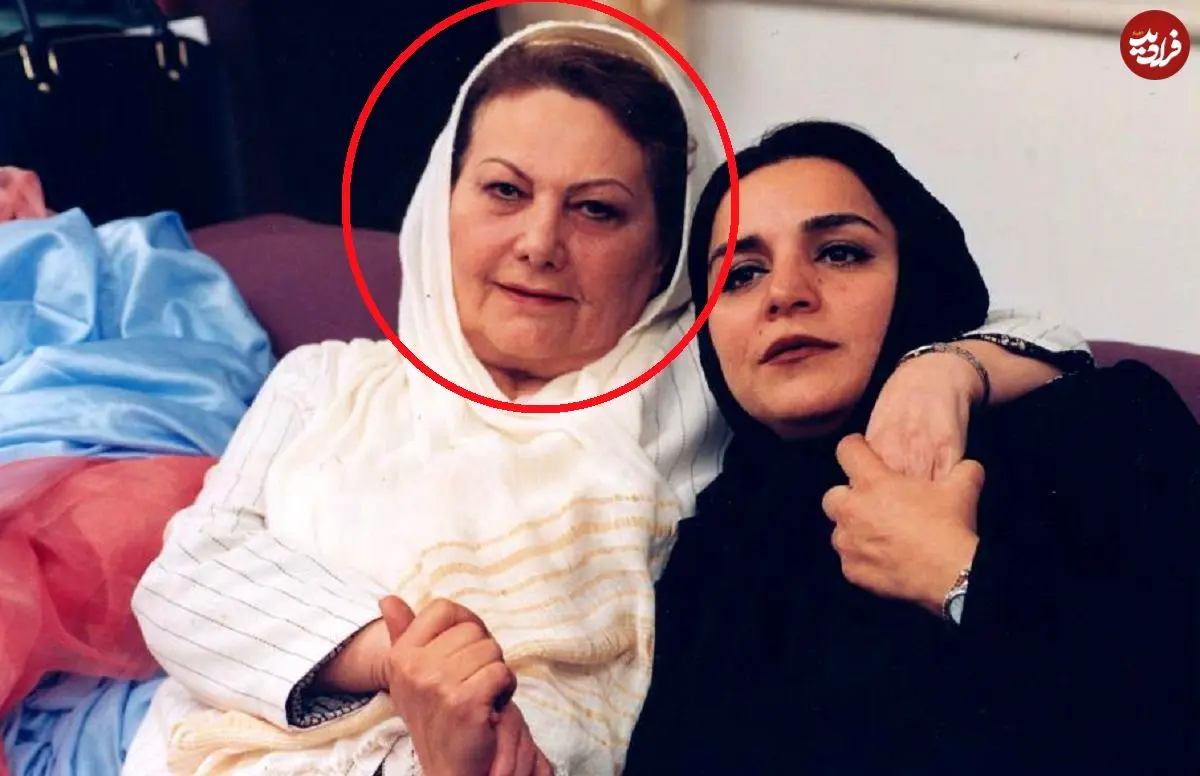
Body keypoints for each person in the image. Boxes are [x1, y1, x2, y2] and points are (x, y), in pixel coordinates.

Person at [124, 23, 1091, 776]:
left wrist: (944, 369)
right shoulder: (328, 379)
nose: (539, 244)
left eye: (596, 209)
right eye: (504, 192)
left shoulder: (695, 380)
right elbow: (183, 580)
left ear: (665, 252)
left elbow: (1036, 331)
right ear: (441, 201)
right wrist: (397, 659)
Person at [622, 119, 1200, 776]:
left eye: (840, 253)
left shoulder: (1098, 423)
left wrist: (959, 576)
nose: (784, 294)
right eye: (741, 274)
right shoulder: (712, 548)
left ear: (920, 272)